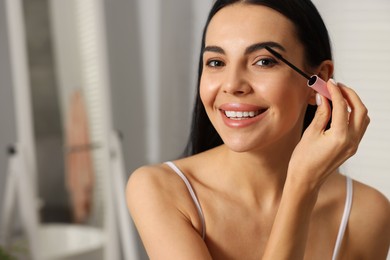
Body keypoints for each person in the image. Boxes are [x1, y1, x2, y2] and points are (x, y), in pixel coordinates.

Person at [126, 0, 390, 259]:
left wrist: (302, 183)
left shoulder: (366, 213)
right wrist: (301, 186)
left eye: (263, 61)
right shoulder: (161, 190)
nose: (232, 85)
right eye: (216, 62)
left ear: (318, 80)